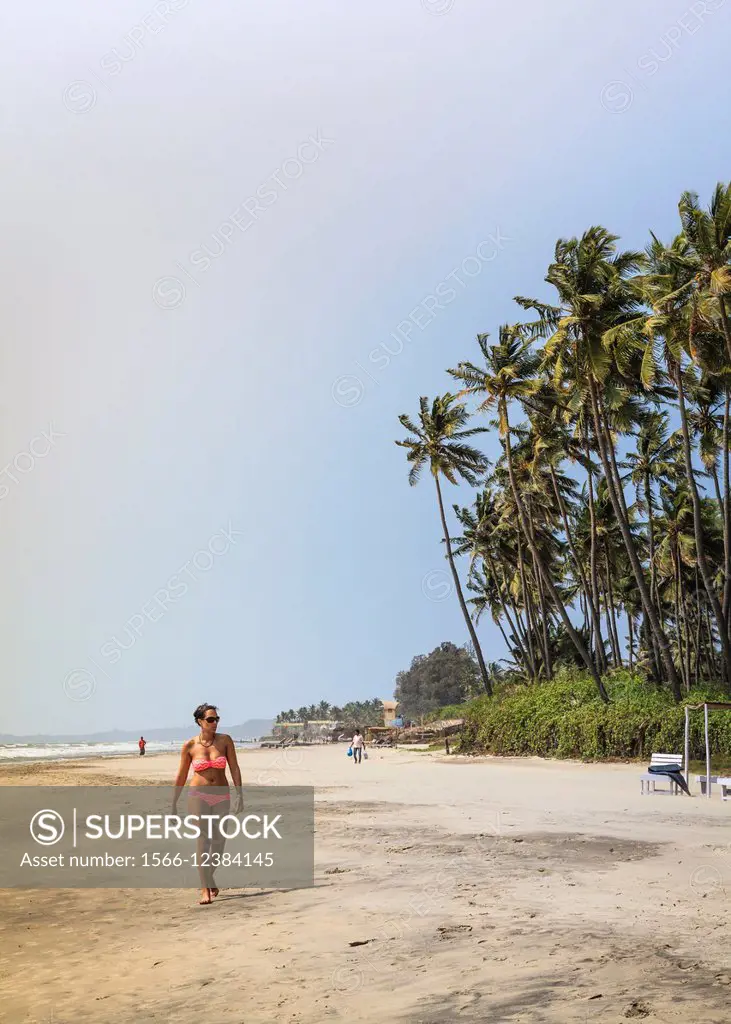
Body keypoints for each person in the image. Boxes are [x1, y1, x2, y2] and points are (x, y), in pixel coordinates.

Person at [172, 704, 243, 905]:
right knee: (204, 840)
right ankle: (205, 889)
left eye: (216, 719)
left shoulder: (225, 741)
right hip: (198, 795)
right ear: (200, 722)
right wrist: (173, 803)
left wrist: (240, 794)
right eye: (210, 719)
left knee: (220, 841)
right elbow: (181, 775)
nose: (215, 723)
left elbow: (235, 768)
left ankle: (208, 876)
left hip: (221, 795)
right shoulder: (190, 746)